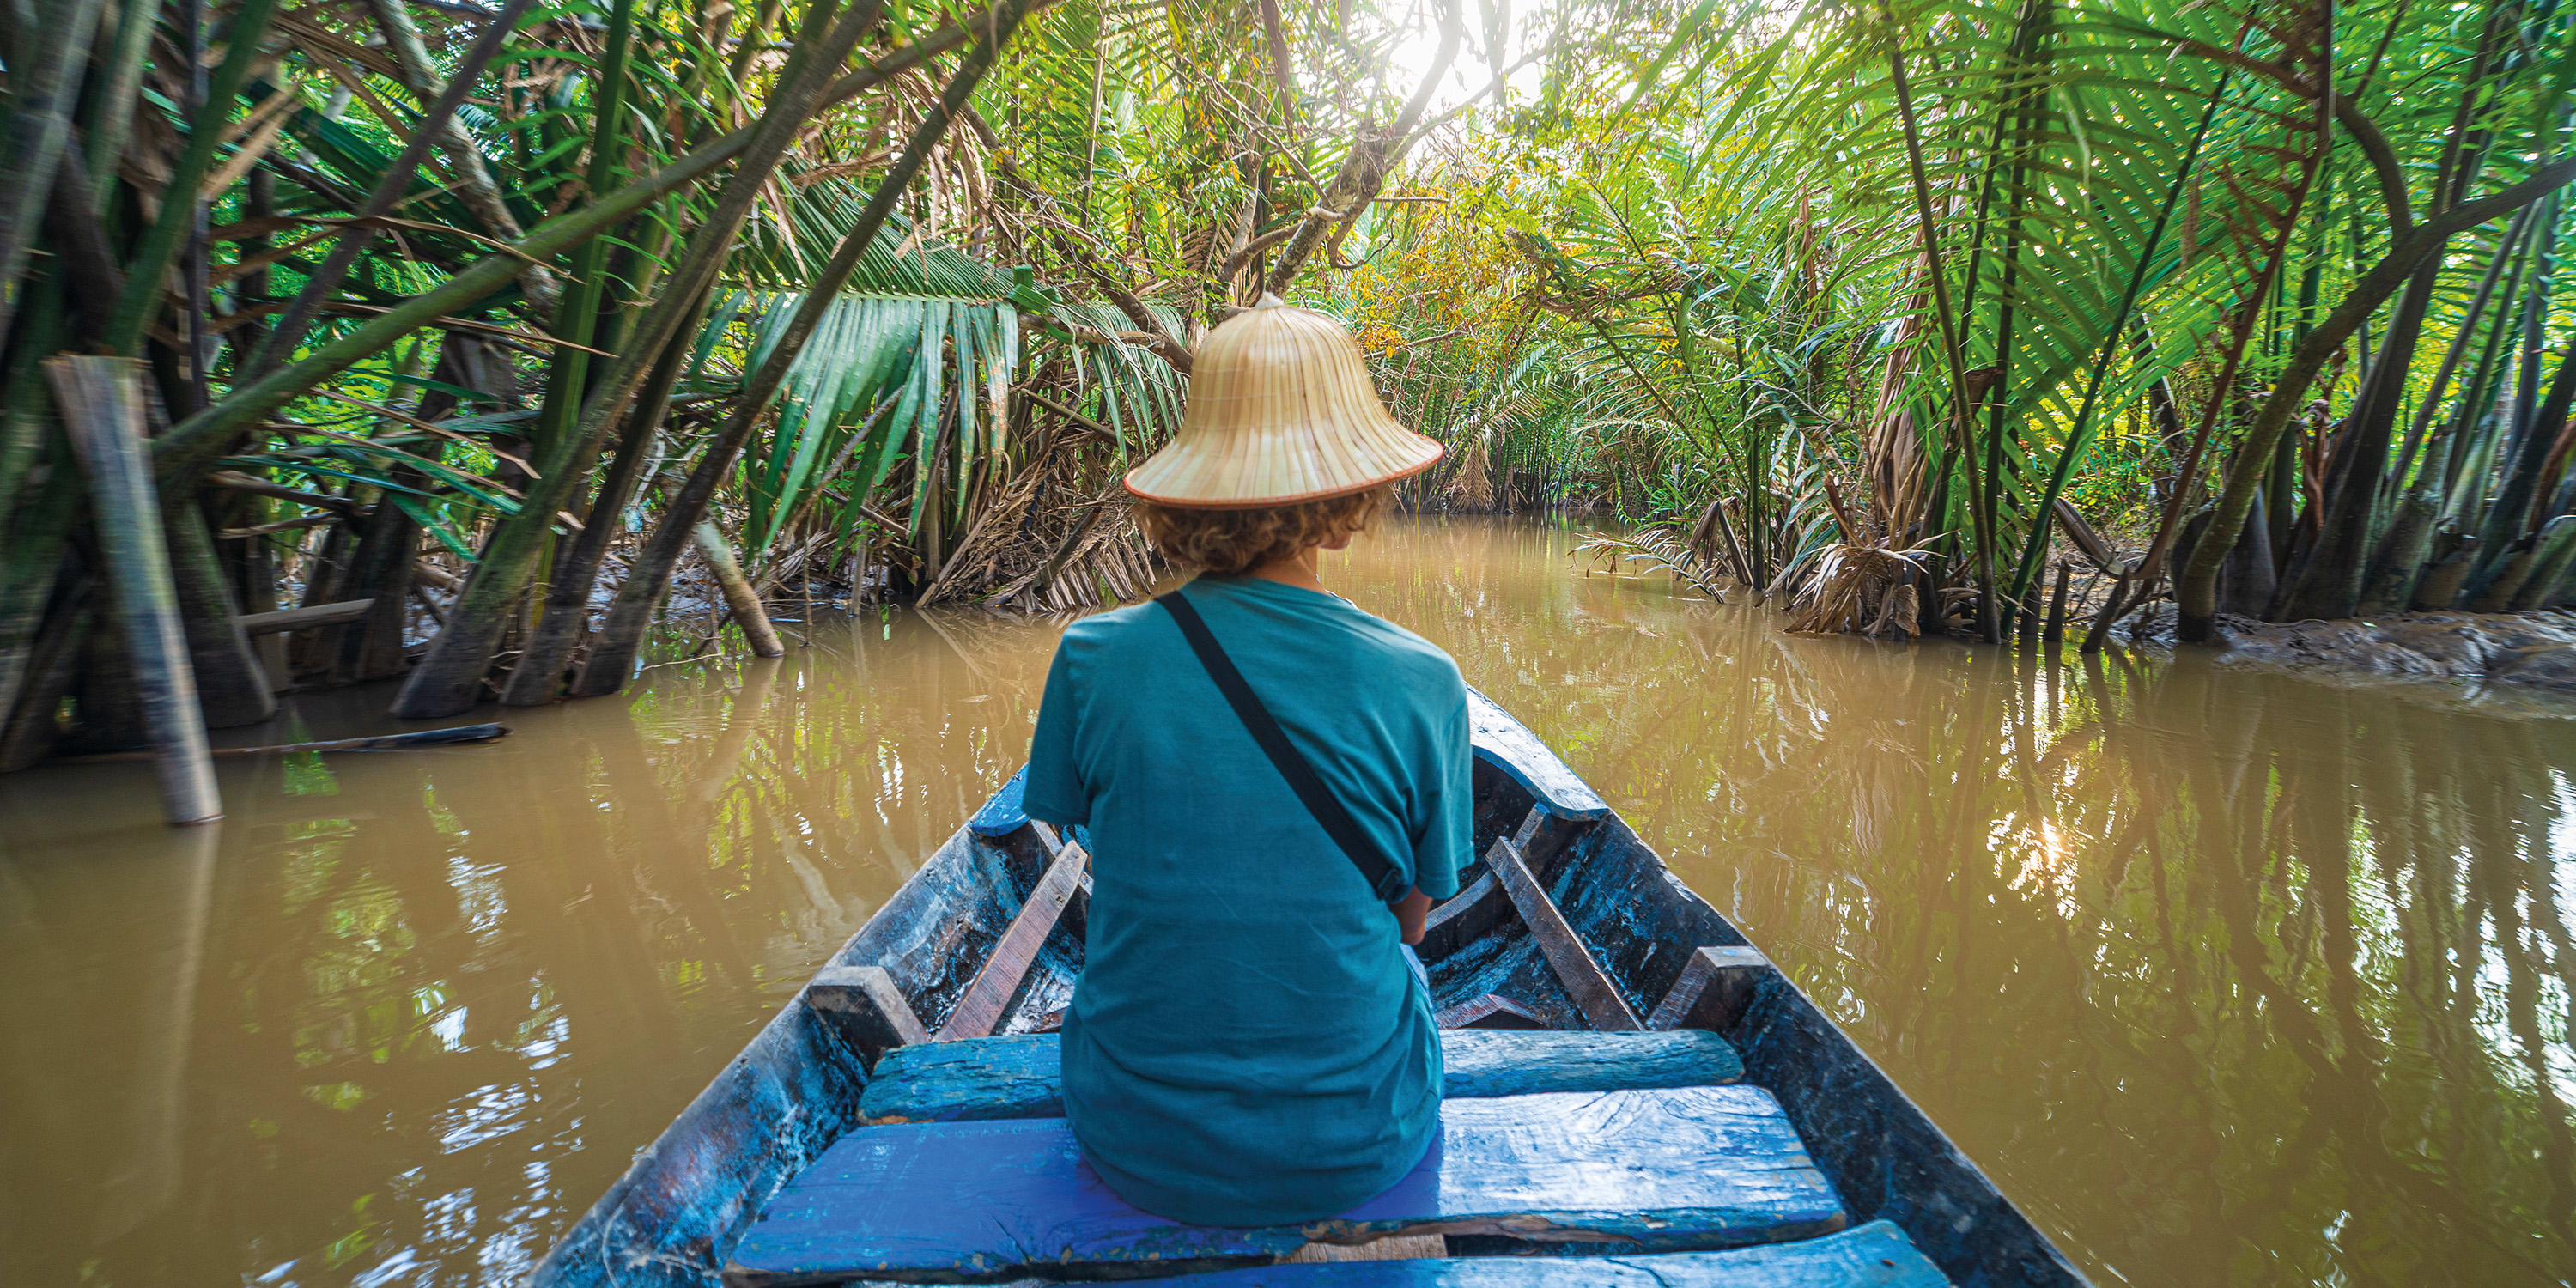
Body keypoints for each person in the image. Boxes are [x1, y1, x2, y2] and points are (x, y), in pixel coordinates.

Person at [1021, 296, 1472, 1227]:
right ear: (1349, 507)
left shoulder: (1093, 659)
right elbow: (1413, 925)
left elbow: (1104, 857)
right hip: (1356, 1139)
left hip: (1135, 1134)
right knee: (1411, 977)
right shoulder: (1422, 681)